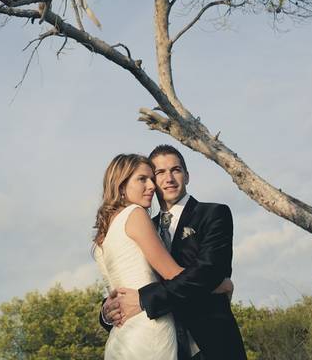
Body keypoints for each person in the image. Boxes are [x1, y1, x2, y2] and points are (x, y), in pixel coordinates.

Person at [101, 145, 246, 360]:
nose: (168, 178)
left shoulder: (214, 213)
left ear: (187, 176)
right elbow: (131, 281)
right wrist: (107, 313)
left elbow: (207, 272)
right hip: (159, 341)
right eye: (159, 173)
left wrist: (143, 299)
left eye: (175, 170)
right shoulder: (141, 224)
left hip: (209, 343)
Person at [93, 154, 179, 359]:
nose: (152, 186)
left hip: (121, 335)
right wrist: (219, 284)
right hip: (151, 326)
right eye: (142, 179)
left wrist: (106, 313)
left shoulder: (102, 234)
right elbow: (173, 274)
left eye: (151, 179)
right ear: (121, 185)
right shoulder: (135, 214)